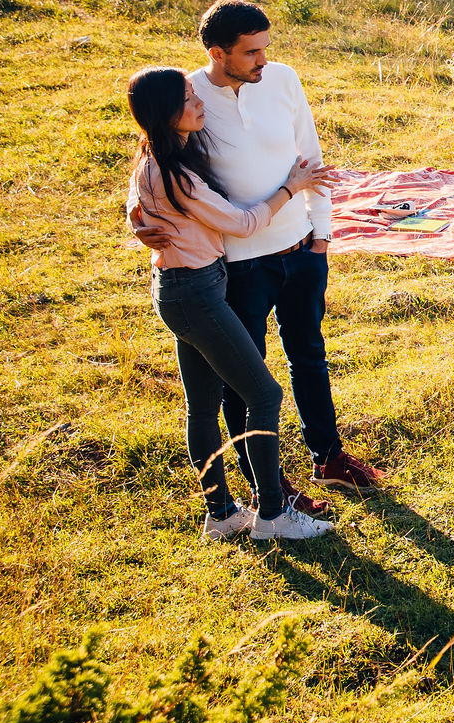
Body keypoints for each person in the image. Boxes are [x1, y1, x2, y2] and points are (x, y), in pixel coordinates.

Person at [130, 0, 385, 508]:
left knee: (309, 355)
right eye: (251, 53)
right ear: (217, 53)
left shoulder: (284, 79)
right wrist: (137, 217)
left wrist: (323, 235)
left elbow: (311, 159)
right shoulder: (189, 97)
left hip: (301, 248)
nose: (263, 61)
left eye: (266, 48)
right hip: (238, 261)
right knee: (244, 378)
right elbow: (152, 156)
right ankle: (267, 483)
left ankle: (328, 458)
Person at [126, 65, 335, 541]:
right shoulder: (177, 174)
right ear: (167, 113)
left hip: (182, 289)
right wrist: (291, 188)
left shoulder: (153, 158)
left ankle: (220, 514)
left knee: (201, 407)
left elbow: (138, 203)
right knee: (264, 395)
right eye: (188, 99)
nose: (198, 102)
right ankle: (272, 514)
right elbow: (242, 224)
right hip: (196, 292)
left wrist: (136, 220)